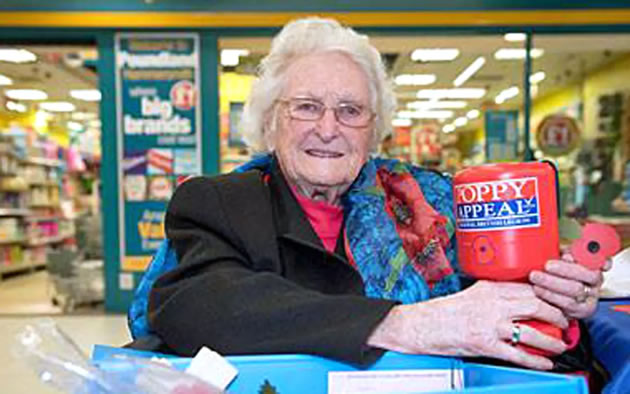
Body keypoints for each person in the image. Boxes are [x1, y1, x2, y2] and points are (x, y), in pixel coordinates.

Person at [145, 18, 608, 373]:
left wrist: (556, 305)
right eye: (307, 107)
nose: (328, 129)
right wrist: (413, 324)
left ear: (374, 131)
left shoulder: (435, 206)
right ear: (270, 121)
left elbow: (513, 336)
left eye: (350, 111)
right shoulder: (219, 202)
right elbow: (199, 305)